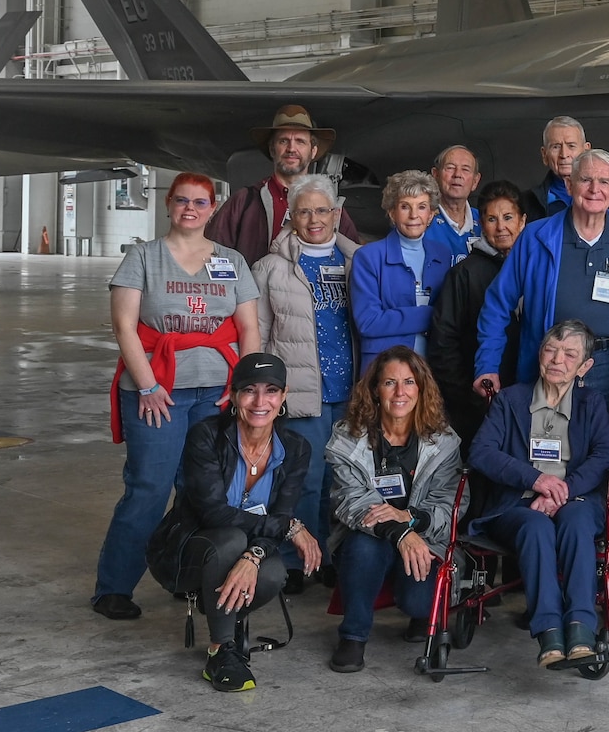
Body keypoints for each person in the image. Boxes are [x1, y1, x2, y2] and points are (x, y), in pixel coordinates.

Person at [94, 173, 262, 620]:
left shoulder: (231, 260)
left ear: (213, 208)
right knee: (148, 488)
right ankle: (113, 587)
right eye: (183, 201)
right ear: (168, 204)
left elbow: (248, 328)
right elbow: (124, 327)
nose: (191, 209)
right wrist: (147, 385)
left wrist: (246, 388)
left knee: (203, 489)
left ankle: (185, 574)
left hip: (217, 393)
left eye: (201, 202)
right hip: (159, 393)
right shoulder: (143, 258)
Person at [150, 353, 321, 691]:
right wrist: (288, 528)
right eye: (249, 391)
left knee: (273, 573)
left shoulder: (296, 448)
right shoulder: (207, 436)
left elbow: (280, 513)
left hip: (244, 548)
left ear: (284, 396)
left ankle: (223, 615)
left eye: (271, 391)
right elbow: (213, 513)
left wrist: (254, 556)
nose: (260, 401)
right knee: (229, 539)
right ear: (234, 395)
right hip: (190, 549)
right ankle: (221, 650)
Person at [468, 322, 609, 667]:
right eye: (551, 350)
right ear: (540, 355)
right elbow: (482, 452)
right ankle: (549, 632)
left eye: (570, 354)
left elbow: (606, 456)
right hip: (518, 502)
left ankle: (581, 626)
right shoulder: (511, 400)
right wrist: (537, 480)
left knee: (578, 520)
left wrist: (563, 489)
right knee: (536, 526)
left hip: (576, 499)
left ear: (584, 367)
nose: (558, 360)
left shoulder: (590, 403)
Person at [476, 149, 609, 422]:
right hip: (549, 365)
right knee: (548, 457)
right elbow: (496, 304)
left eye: (604, 182)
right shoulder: (536, 238)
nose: (594, 189)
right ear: (569, 184)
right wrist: (487, 364)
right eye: (586, 180)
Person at [325, 347, 463, 673]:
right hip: (368, 533)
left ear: (421, 388)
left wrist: (413, 521)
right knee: (362, 547)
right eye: (389, 383)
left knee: (418, 599)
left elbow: (450, 503)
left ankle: (420, 616)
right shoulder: (348, 438)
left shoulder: (444, 441)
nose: (400, 392)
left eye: (409, 382)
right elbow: (350, 501)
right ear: (375, 389)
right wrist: (400, 531)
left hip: (425, 537)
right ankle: (353, 636)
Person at [252, 173, 359, 584]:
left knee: (340, 481)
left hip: (350, 392)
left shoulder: (357, 260)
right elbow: (259, 335)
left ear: (336, 213)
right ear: (290, 216)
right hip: (299, 395)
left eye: (321, 210)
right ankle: (294, 561)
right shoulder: (270, 268)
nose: (313, 218)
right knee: (303, 481)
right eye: (303, 211)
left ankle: (328, 557)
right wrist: (262, 394)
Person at [428, 180, 526, 449]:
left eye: (508, 217)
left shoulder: (537, 269)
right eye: (492, 219)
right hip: (478, 404)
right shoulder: (464, 274)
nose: (501, 226)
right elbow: (443, 343)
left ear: (523, 221)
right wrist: (468, 396)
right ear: (481, 224)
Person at [206, 105, 361, 265]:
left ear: (313, 151)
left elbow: (355, 263)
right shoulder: (243, 202)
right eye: (283, 141)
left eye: (300, 141)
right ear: (272, 149)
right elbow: (212, 255)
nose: (291, 148)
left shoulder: (332, 208)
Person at [351, 170, 455, 375]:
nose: (414, 215)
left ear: (432, 214)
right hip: (383, 369)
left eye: (422, 207)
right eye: (405, 206)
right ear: (391, 212)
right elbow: (368, 322)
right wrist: (433, 314)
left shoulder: (443, 254)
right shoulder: (368, 257)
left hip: (434, 368)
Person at [521, 115, 590, 221]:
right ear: (544, 155)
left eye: (571, 146)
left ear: (586, 151)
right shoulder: (525, 202)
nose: (564, 154)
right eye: (556, 147)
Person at [424, 145, 481, 261]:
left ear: (475, 181)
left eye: (465, 169)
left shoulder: (485, 222)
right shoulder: (418, 219)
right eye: (450, 167)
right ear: (435, 175)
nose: (457, 175)